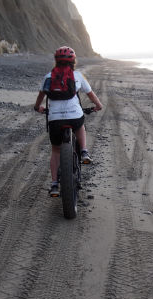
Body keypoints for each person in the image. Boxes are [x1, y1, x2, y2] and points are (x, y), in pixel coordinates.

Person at [34, 46, 102, 197]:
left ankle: (54, 185)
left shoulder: (48, 77)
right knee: (80, 125)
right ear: (73, 61)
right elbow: (91, 95)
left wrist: (37, 107)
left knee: (56, 150)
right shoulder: (77, 75)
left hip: (55, 120)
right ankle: (84, 151)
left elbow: (40, 97)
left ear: (56, 61)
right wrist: (98, 105)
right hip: (74, 116)